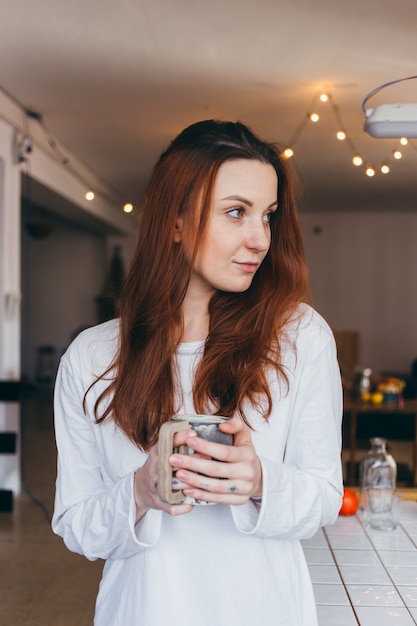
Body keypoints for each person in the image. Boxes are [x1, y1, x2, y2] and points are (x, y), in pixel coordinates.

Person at [52, 119, 343, 626]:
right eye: (236, 213)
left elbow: (323, 499)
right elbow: (79, 528)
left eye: (268, 216)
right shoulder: (92, 358)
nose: (260, 240)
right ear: (175, 221)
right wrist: (140, 491)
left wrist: (259, 481)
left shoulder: (300, 337)